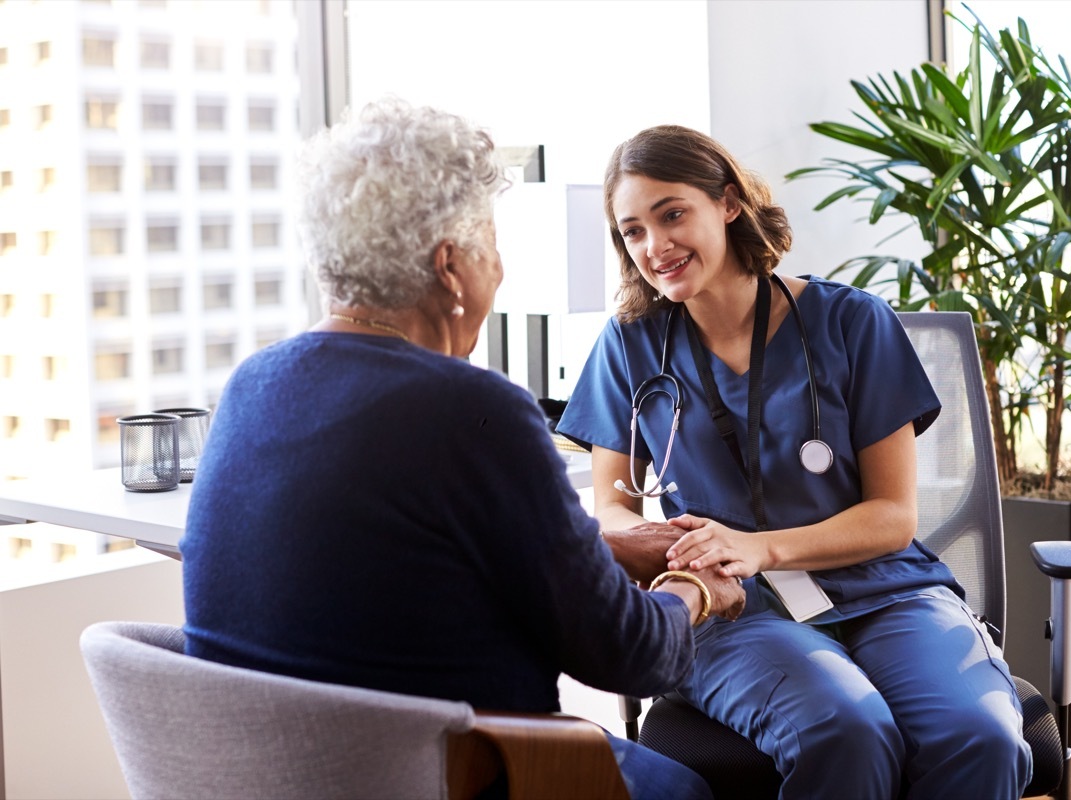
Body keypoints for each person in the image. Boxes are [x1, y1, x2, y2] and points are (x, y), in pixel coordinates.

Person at [179, 99, 746, 800]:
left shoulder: (251, 386)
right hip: (456, 777)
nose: (499, 271)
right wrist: (696, 589)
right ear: (451, 267)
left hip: (276, 775)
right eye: (492, 247)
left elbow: (408, 563)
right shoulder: (474, 411)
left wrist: (602, 549)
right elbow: (632, 657)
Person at [555, 125, 1033, 799]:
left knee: (977, 738)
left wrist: (758, 546)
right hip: (730, 607)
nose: (654, 247)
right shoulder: (630, 345)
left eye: (672, 215)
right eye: (632, 231)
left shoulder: (853, 323)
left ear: (726, 203)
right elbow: (615, 503)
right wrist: (657, 548)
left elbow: (893, 517)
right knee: (845, 729)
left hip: (885, 589)